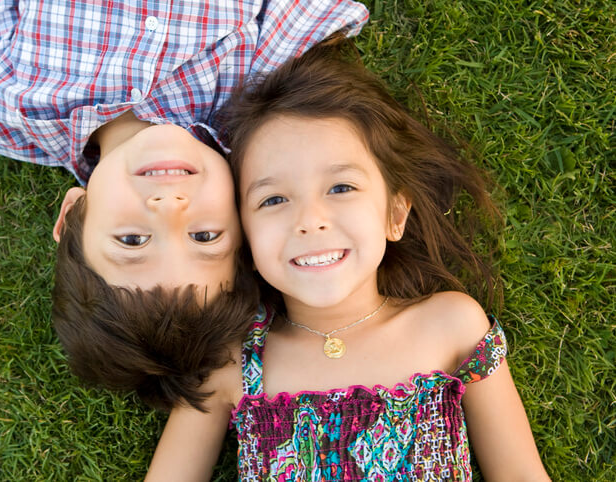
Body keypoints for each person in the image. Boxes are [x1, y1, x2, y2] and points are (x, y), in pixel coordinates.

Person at [146, 38, 550, 480]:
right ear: (244, 235)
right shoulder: (233, 364)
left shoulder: (451, 325)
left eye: (341, 188)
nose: (310, 221)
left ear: (395, 214)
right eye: (274, 199)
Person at [0, 0, 369, 409]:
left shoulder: (12, 114)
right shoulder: (252, 87)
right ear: (243, 220)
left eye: (132, 240)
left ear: (73, 213)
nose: (171, 205)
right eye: (205, 236)